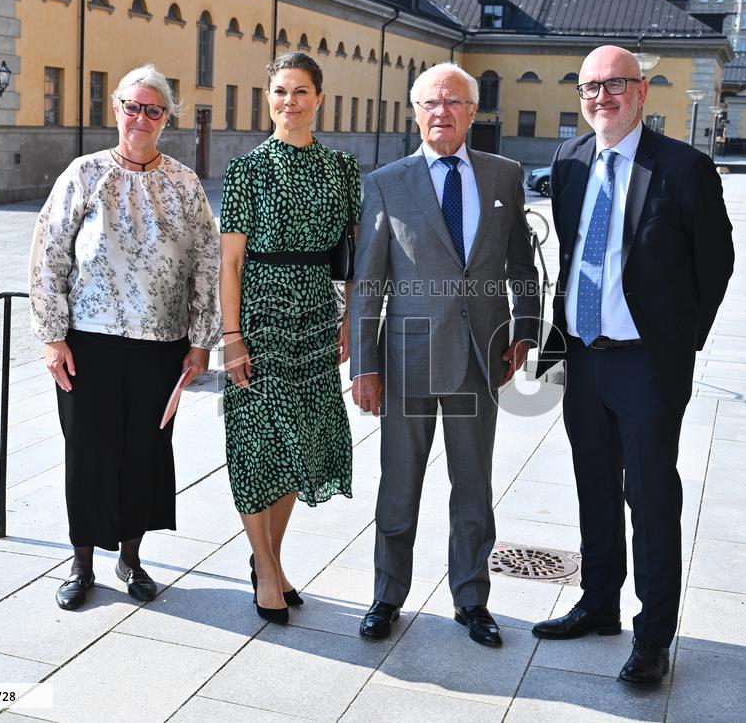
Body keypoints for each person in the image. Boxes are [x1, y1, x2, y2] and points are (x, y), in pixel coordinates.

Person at [532, 45, 734, 685]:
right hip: (585, 358)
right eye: (590, 87)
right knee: (593, 485)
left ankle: (653, 637)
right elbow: (568, 257)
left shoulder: (684, 168)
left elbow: (715, 265)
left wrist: (679, 344)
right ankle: (598, 603)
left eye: (616, 85)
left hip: (647, 364)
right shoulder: (570, 161)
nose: (601, 97)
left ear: (642, 93)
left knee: (649, 497)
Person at [350, 62, 539, 647]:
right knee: (399, 484)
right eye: (431, 103)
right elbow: (368, 281)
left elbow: (520, 266)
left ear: (472, 111)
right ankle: (387, 596)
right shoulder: (386, 182)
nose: (442, 112)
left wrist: (526, 331)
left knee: (474, 487)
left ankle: (472, 600)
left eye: (454, 102)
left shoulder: (504, 176)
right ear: (415, 112)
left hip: (480, 359)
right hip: (407, 362)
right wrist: (365, 363)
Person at [29, 65, 221, 611]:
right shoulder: (83, 175)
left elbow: (208, 261)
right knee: (88, 451)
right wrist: (52, 335)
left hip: (162, 345)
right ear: (116, 109)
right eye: (132, 106)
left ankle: (131, 559)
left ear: (166, 119)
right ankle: (81, 562)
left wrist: (202, 339)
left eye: (152, 110)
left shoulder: (184, 184)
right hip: (88, 344)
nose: (140, 117)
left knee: (145, 451)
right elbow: (49, 252)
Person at [219, 52, 357, 626]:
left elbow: (353, 256)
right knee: (255, 446)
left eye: (300, 91)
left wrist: (348, 318)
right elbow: (228, 264)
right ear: (267, 97)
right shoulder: (245, 170)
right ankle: (268, 572)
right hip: (259, 317)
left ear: (319, 99)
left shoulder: (343, 169)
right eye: (279, 91)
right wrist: (231, 336)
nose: (289, 101)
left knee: (298, 446)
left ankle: (267, 561)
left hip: (316, 319)